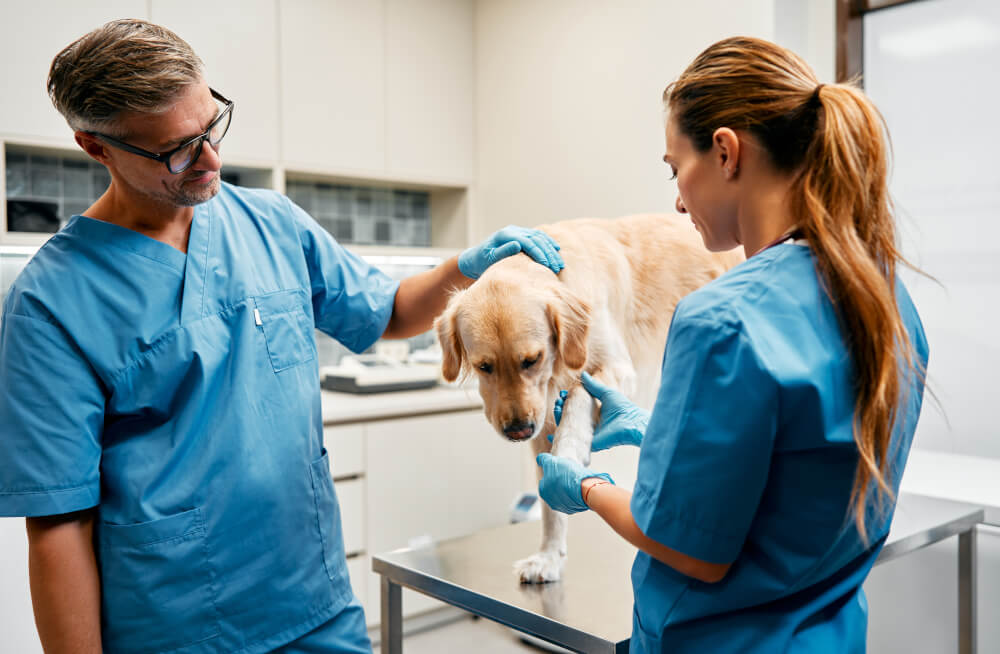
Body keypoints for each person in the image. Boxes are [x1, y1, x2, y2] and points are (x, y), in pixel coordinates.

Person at [0, 19, 562, 654]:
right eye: (176, 150)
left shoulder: (269, 223)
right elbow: (57, 525)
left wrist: (465, 267)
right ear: (96, 147)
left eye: (212, 126)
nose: (211, 159)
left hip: (313, 600)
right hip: (176, 625)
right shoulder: (50, 302)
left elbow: (388, 313)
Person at [536, 36, 929, 653]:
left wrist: (584, 486)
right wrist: (653, 430)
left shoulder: (721, 321)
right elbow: (796, 470)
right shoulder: (886, 300)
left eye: (675, 168)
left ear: (725, 152)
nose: (675, 196)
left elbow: (690, 551)